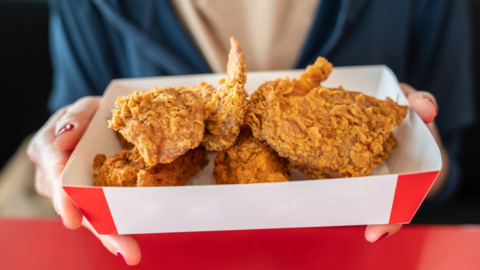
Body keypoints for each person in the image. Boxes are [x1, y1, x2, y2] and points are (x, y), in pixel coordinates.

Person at [27, 0, 473, 266]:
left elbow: (453, 169)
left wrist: (425, 154)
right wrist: (62, 153)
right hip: (164, 256)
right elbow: (72, 133)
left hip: (365, 254)